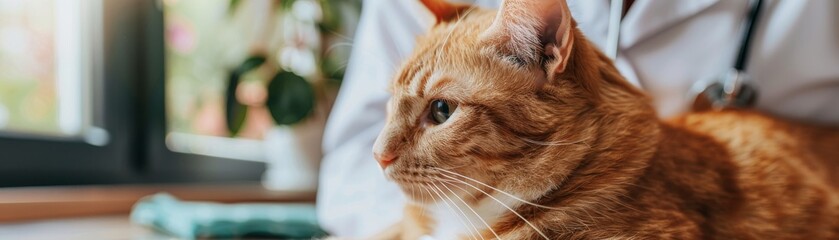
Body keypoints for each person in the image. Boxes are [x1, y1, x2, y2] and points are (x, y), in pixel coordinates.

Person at [317, 0, 839, 237]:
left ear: (544, 50)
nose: (383, 151)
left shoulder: (608, 202)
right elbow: (351, 166)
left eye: (441, 110)